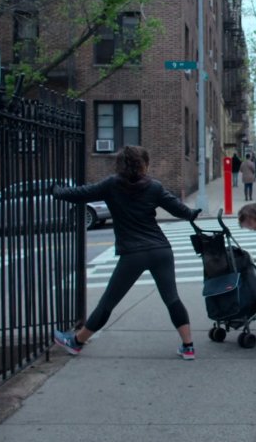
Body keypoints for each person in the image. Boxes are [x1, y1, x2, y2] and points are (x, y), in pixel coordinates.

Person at [51, 146, 202, 360]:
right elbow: (179, 209)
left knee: (108, 302)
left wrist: (57, 192)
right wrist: (192, 213)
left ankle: (76, 342)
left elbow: (81, 194)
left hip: (133, 253)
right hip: (160, 250)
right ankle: (188, 347)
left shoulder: (111, 185)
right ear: (144, 165)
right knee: (172, 298)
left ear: (120, 164)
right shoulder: (154, 187)